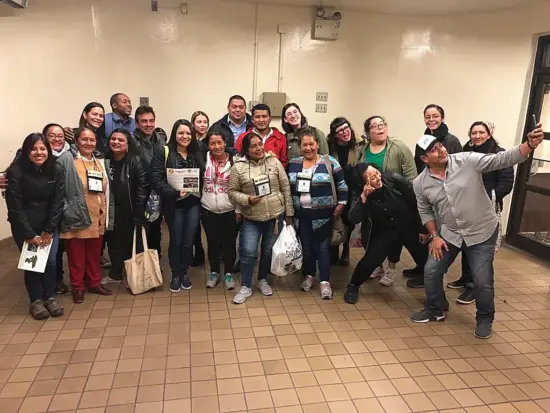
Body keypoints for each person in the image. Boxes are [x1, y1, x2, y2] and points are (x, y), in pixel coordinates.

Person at [411, 125, 544, 339]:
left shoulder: (467, 160)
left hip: (482, 231)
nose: (442, 150)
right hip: (451, 233)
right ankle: (436, 309)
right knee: (432, 270)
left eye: (440, 145)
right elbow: (424, 210)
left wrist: (528, 145)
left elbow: (501, 160)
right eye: (434, 150)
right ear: (425, 159)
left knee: (482, 281)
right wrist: (435, 236)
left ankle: (484, 318)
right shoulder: (420, 183)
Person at [446, 122, 515, 304]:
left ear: (489, 133)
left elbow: (506, 183)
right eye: (474, 133)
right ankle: (465, 278)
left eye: (481, 132)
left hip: (487, 208)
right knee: (464, 243)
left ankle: (474, 287)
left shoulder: (499, 153)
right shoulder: (466, 151)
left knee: (481, 249)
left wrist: (487, 199)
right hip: (466, 207)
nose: (477, 136)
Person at [343, 164, 429, 304]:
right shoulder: (361, 192)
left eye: (377, 173)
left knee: (425, 259)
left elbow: (417, 203)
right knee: (370, 260)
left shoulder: (395, 180)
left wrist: (423, 230)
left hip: (408, 226)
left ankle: (433, 294)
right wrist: (364, 196)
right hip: (384, 231)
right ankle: (353, 286)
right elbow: (353, 217)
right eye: (372, 177)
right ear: (364, 182)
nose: (378, 178)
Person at [228, 132, 293, 304]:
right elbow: (232, 192)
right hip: (251, 218)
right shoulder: (238, 167)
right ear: (246, 150)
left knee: (267, 251)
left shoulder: (274, 161)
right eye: (253, 146)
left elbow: (285, 187)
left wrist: (289, 214)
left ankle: (262, 279)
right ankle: (246, 286)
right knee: (248, 252)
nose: (258, 148)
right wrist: (247, 199)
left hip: (274, 217)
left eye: (260, 144)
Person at [6, 133, 65, 319]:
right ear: (26, 151)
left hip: (49, 225)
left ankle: (50, 297)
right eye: (34, 149)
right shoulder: (15, 172)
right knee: (33, 264)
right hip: (25, 226)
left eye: (42, 148)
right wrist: (29, 233)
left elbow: (58, 201)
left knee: (51, 262)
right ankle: (36, 301)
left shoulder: (56, 169)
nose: (39, 152)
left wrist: (48, 229)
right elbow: (15, 207)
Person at [357, 116, 418, 285]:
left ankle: (391, 268)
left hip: (395, 202)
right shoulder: (363, 150)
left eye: (382, 125)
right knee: (371, 236)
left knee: (394, 238)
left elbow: (412, 178)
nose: (379, 128)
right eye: (374, 126)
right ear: (368, 132)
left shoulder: (399, 148)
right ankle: (378, 266)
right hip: (373, 203)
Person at [288, 130, 348, 299]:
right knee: (306, 247)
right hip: (302, 215)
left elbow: (342, 185)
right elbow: (288, 188)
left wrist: (341, 204)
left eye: (311, 144)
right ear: (300, 147)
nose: (308, 148)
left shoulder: (329, 162)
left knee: (323, 248)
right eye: (304, 145)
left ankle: (324, 281)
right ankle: (309, 276)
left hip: (325, 215)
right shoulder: (293, 163)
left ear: (317, 144)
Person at [58, 128, 114, 303]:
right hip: (76, 216)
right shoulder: (68, 161)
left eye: (92, 140)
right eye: (84, 139)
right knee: (76, 255)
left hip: (96, 215)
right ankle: (78, 287)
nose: (89, 143)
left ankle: (94, 283)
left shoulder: (99, 162)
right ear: (76, 140)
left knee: (94, 253)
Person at [151, 119, 204, 292]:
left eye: (189, 133)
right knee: (176, 240)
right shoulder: (164, 151)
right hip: (174, 204)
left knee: (189, 241)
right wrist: (174, 193)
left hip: (193, 203)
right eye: (181, 133)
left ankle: (184, 273)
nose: (185, 136)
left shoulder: (198, 152)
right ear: (174, 134)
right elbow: (156, 179)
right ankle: (175, 273)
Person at [101, 129, 149, 285]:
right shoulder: (105, 161)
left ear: (128, 145)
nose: (116, 142)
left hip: (130, 210)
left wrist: (139, 213)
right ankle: (116, 273)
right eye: (113, 139)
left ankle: (135, 275)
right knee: (113, 243)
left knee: (131, 243)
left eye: (121, 140)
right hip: (110, 210)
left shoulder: (135, 161)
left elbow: (142, 189)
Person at [202, 129, 238, 290]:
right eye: (212, 143)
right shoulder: (203, 160)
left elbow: (241, 186)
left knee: (229, 244)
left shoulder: (235, 161)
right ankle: (214, 272)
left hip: (229, 210)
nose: (216, 146)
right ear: (208, 145)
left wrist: (239, 210)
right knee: (213, 243)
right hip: (208, 210)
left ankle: (229, 273)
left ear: (225, 143)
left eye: (219, 142)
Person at [327, 117, 364, 266]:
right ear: (335, 135)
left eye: (346, 128)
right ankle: (334, 247)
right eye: (340, 130)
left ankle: (346, 249)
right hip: (335, 188)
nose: (345, 132)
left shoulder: (359, 145)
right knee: (336, 217)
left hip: (353, 188)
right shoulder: (330, 147)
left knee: (349, 220)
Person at [132, 105, 166, 258]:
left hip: (156, 193)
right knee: (138, 230)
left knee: (155, 230)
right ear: (137, 123)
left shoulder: (160, 141)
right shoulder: (130, 141)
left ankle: (154, 260)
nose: (148, 124)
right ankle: (139, 264)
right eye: (144, 121)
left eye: (151, 120)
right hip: (138, 193)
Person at [414, 104, 462, 174]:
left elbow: (460, 167)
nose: (431, 119)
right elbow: (419, 167)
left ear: (442, 118)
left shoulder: (453, 141)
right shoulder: (421, 143)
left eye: (435, 116)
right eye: (427, 117)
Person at [190, 111, 210, 266]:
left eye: (205, 122)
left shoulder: (212, 141)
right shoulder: (188, 142)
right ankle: (198, 251)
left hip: (209, 186)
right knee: (194, 224)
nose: (202, 125)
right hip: (193, 187)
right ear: (193, 124)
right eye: (199, 122)